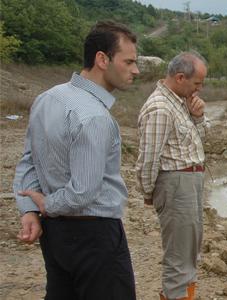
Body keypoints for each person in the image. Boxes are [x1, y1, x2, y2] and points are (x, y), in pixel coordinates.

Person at [13, 20, 139, 300]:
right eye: (129, 61)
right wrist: (46, 205)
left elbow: (28, 162)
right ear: (102, 59)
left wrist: (29, 210)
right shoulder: (94, 116)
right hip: (94, 234)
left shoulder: (47, 98)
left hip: (55, 236)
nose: (136, 70)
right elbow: (83, 191)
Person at [136, 51, 210, 300]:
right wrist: (150, 193)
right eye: (197, 83)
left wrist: (198, 117)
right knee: (179, 258)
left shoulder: (180, 103)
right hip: (177, 185)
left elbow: (199, 141)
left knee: (189, 252)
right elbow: (148, 159)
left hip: (187, 184)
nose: (199, 89)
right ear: (180, 77)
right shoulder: (160, 108)